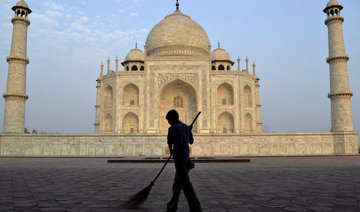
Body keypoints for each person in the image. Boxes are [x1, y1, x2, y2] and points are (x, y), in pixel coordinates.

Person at [166, 109, 202, 212]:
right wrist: (189, 131)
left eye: (169, 120)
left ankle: (196, 208)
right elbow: (191, 141)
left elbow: (170, 143)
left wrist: (171, 151)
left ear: (173, 119)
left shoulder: (172, 128)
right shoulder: (186, 127)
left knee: (186, 186)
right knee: (177, 184)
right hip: (186, 159)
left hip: (179, 160)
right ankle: (172, 206)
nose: (168, 122)